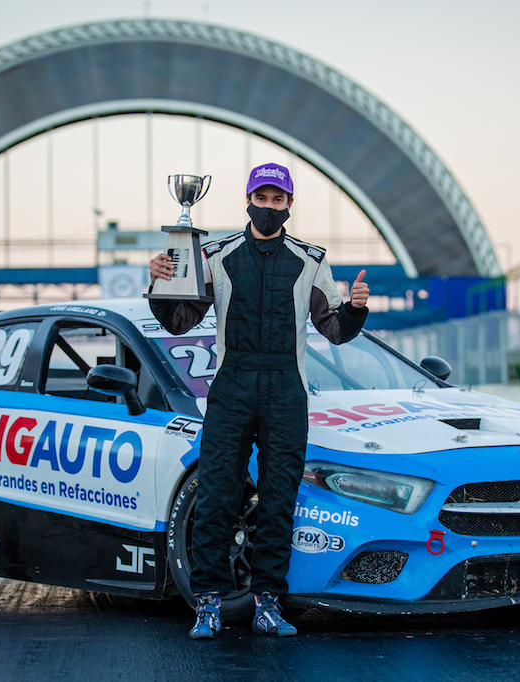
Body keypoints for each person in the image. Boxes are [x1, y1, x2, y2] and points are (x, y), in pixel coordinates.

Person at [148, 162, 369, 639]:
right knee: (216, 499)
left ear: (289, 205)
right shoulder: (216, 254)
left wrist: (354, 310)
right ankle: (208, 603)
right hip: (231, 389)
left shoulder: (310, 259)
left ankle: (268, 603)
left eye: (279, 200)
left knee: (277, 502)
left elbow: (333, 330)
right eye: (262, 198)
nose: (269, 207)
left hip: (287, 391)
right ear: (248, 200)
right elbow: (179, 321)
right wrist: (162, 283)